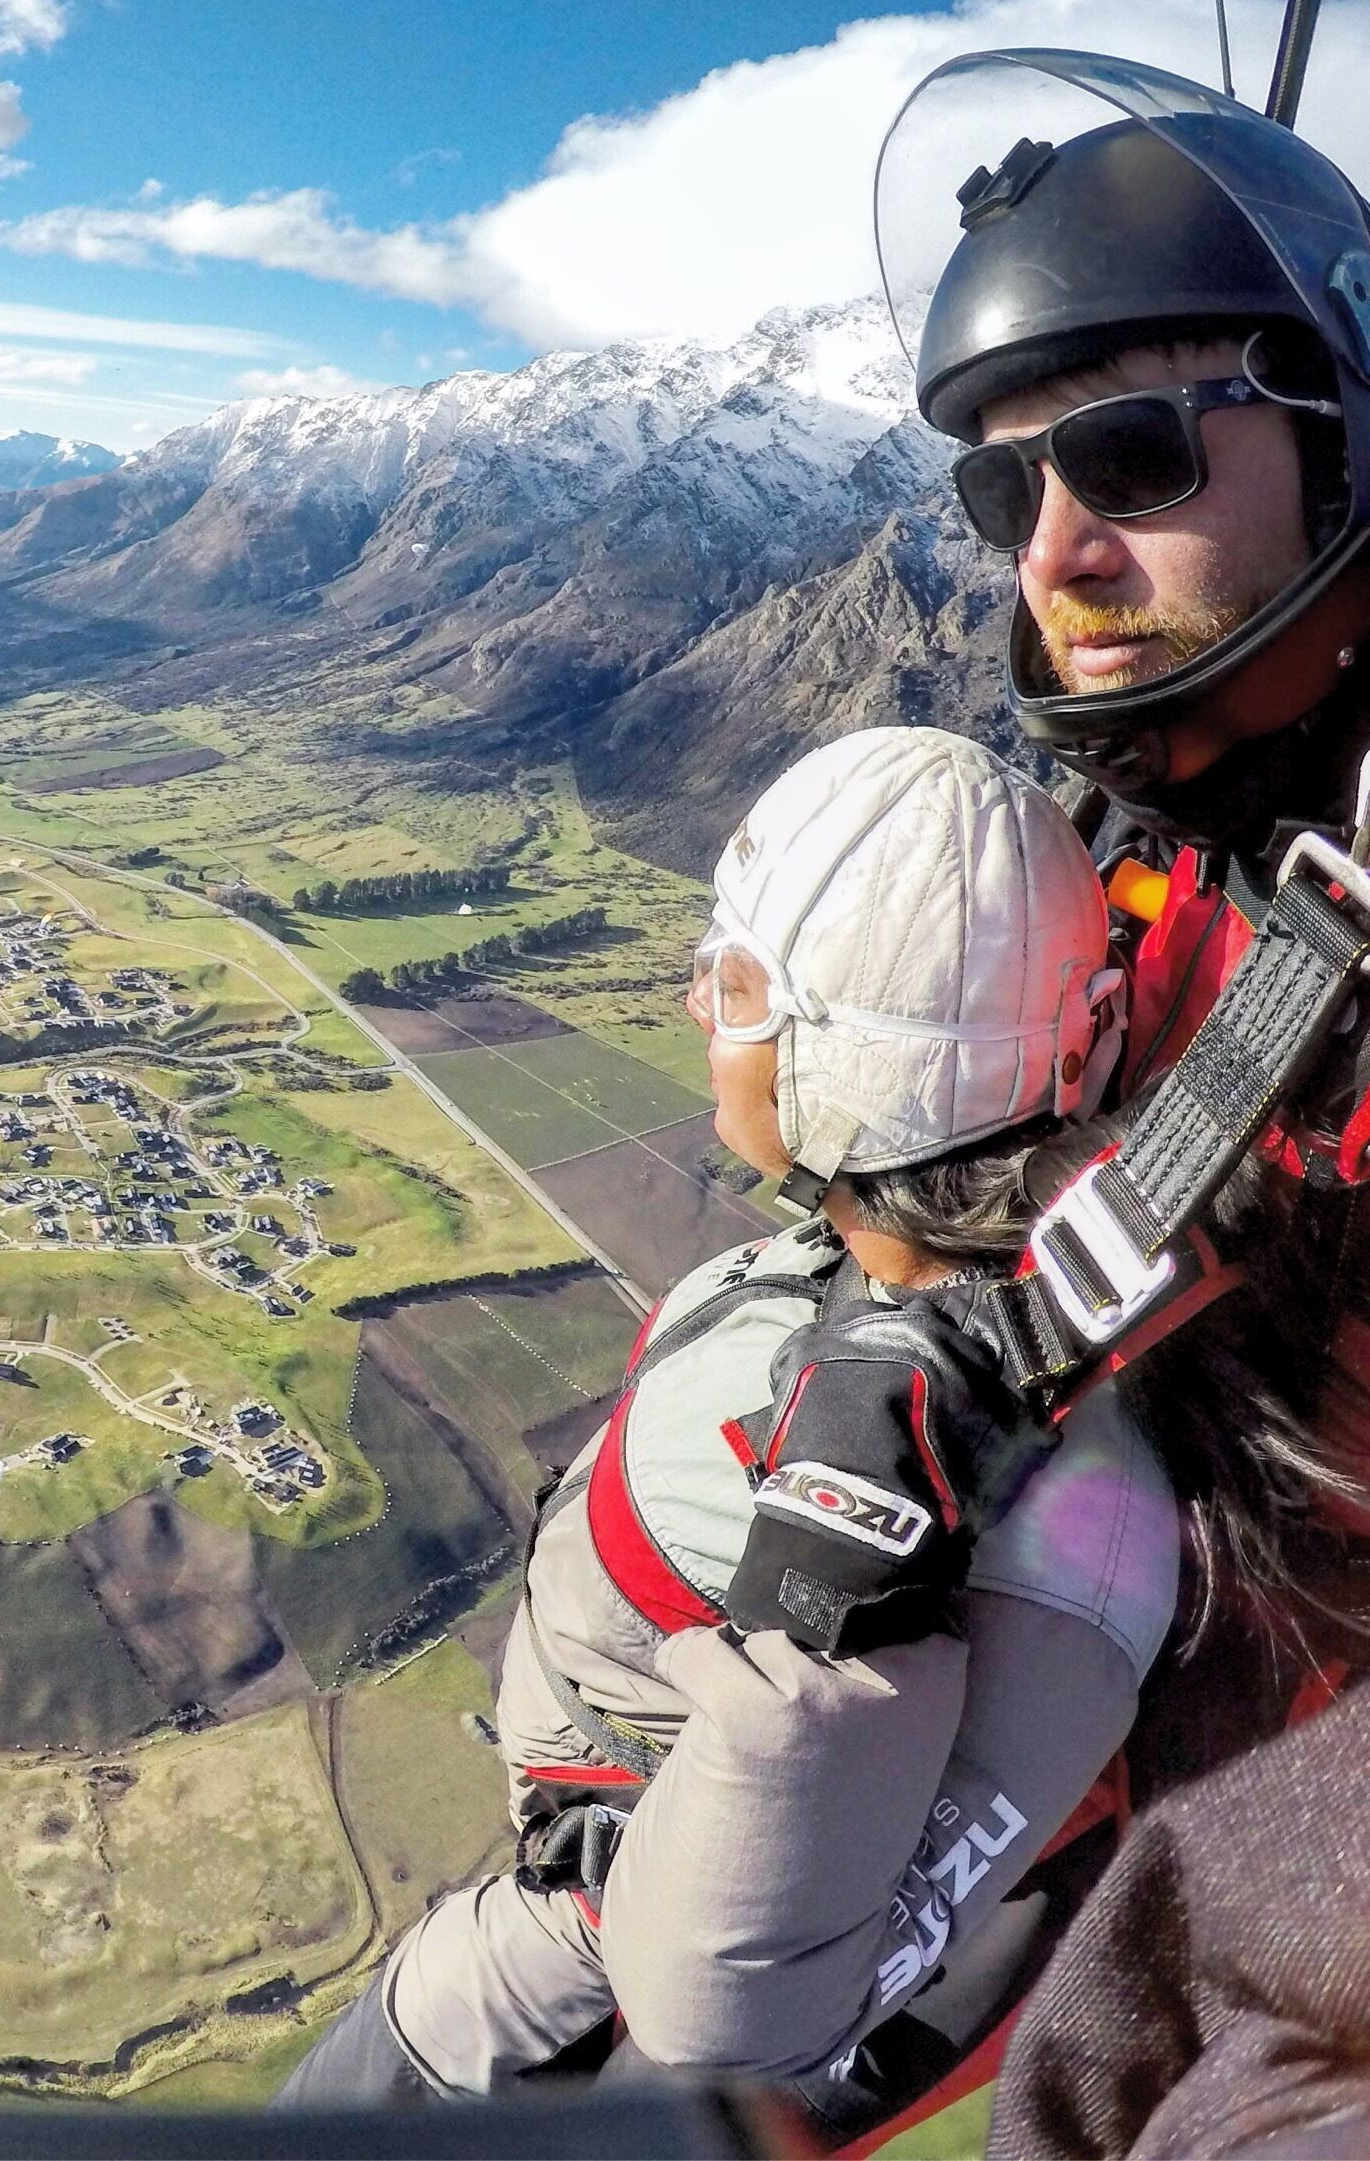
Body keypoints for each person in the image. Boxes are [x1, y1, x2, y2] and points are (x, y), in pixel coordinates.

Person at [701, 52, 1370, 2156]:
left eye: (1136, 452)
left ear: (1345, 447)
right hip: (1145, 1694)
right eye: (1007, 492)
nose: (1055, 553)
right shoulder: (1154, 835)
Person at [275, 723, 1181, 2121]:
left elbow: (717, 2006)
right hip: (584, 1882)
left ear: (865, 1065)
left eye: (743, 985)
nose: (701, 1005)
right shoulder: (930, 1333)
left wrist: (569, 1914)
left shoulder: (893, 1481)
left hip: (560, 1966)